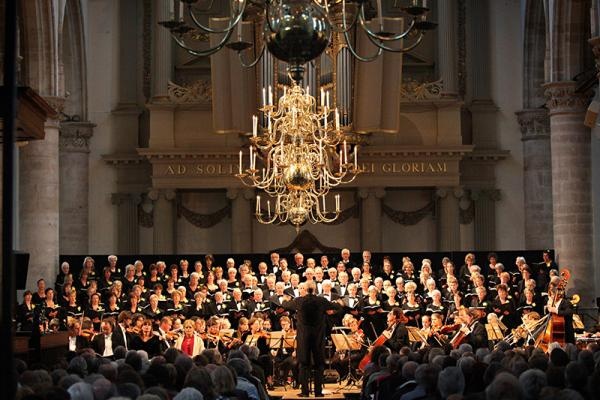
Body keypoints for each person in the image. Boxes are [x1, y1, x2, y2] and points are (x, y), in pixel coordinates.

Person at [282, 280, 341, 397]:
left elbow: (285, 305)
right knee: (319, 363)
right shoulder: (321, 300)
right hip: (318, 337)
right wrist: (339, 302)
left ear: (305, 289)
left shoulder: (299, 301)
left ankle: (305, 392)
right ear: (314, 289)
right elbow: (336, 306)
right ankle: (318, 392)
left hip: (303, 337)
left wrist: (285, 299)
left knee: (303, 364)